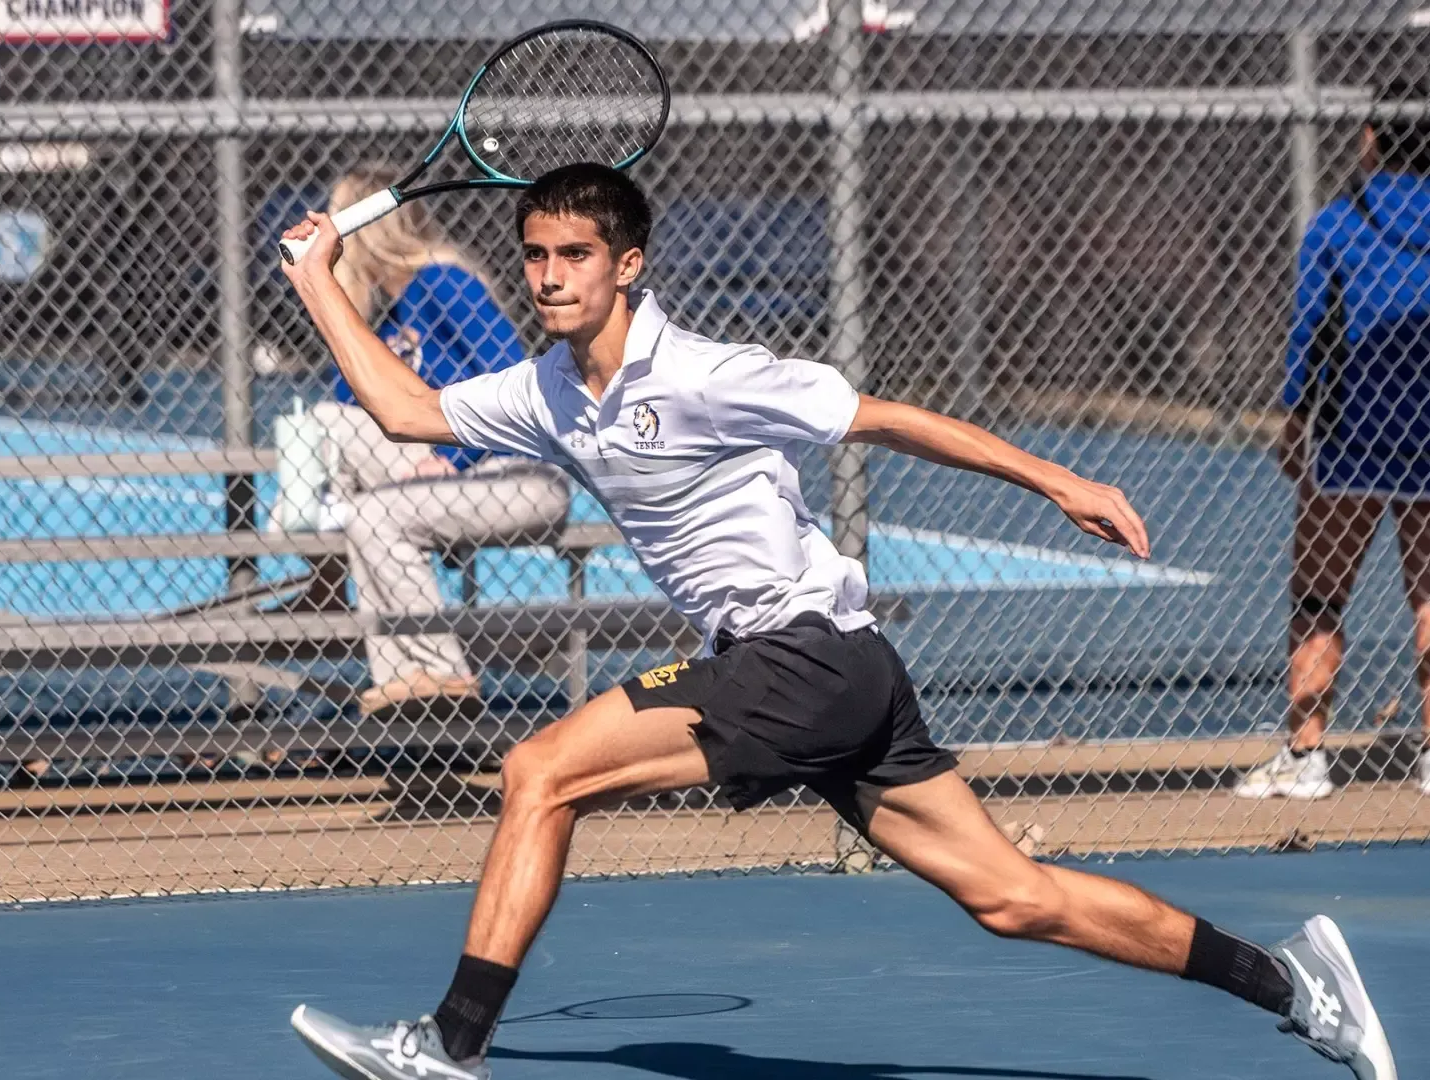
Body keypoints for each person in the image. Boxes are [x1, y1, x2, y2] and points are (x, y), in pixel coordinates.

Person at [274, 163, 1396, 1080]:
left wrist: (1058, 479)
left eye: (576, 255)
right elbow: (406, 406)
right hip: (834, 673)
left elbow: (884, 419)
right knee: (1014, 897)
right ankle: (1292, 983)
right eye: (536, 255)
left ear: (629, 266)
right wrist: (321, 278)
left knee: (540, 772)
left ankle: (447, 1048)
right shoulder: (550, 388)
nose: (551, 275)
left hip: (806, 658)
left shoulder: (710, 375)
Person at [300, 165, 570, 717]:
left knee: (370, 517)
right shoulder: (392, 313)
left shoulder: (444, 283)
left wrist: (448, 458)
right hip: (451, 477)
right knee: (339, 443)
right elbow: (354, 404)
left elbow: (510, 381)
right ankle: (406, 674)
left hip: (513, 474)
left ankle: (440, 674)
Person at [1241, 79, 1430, 800]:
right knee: (1426, 597)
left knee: (1318, 594)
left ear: (1371, 137)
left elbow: (1310, 334)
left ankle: (1306, 753)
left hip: (1353, 437)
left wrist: (1295, 419)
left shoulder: (1340, 224)